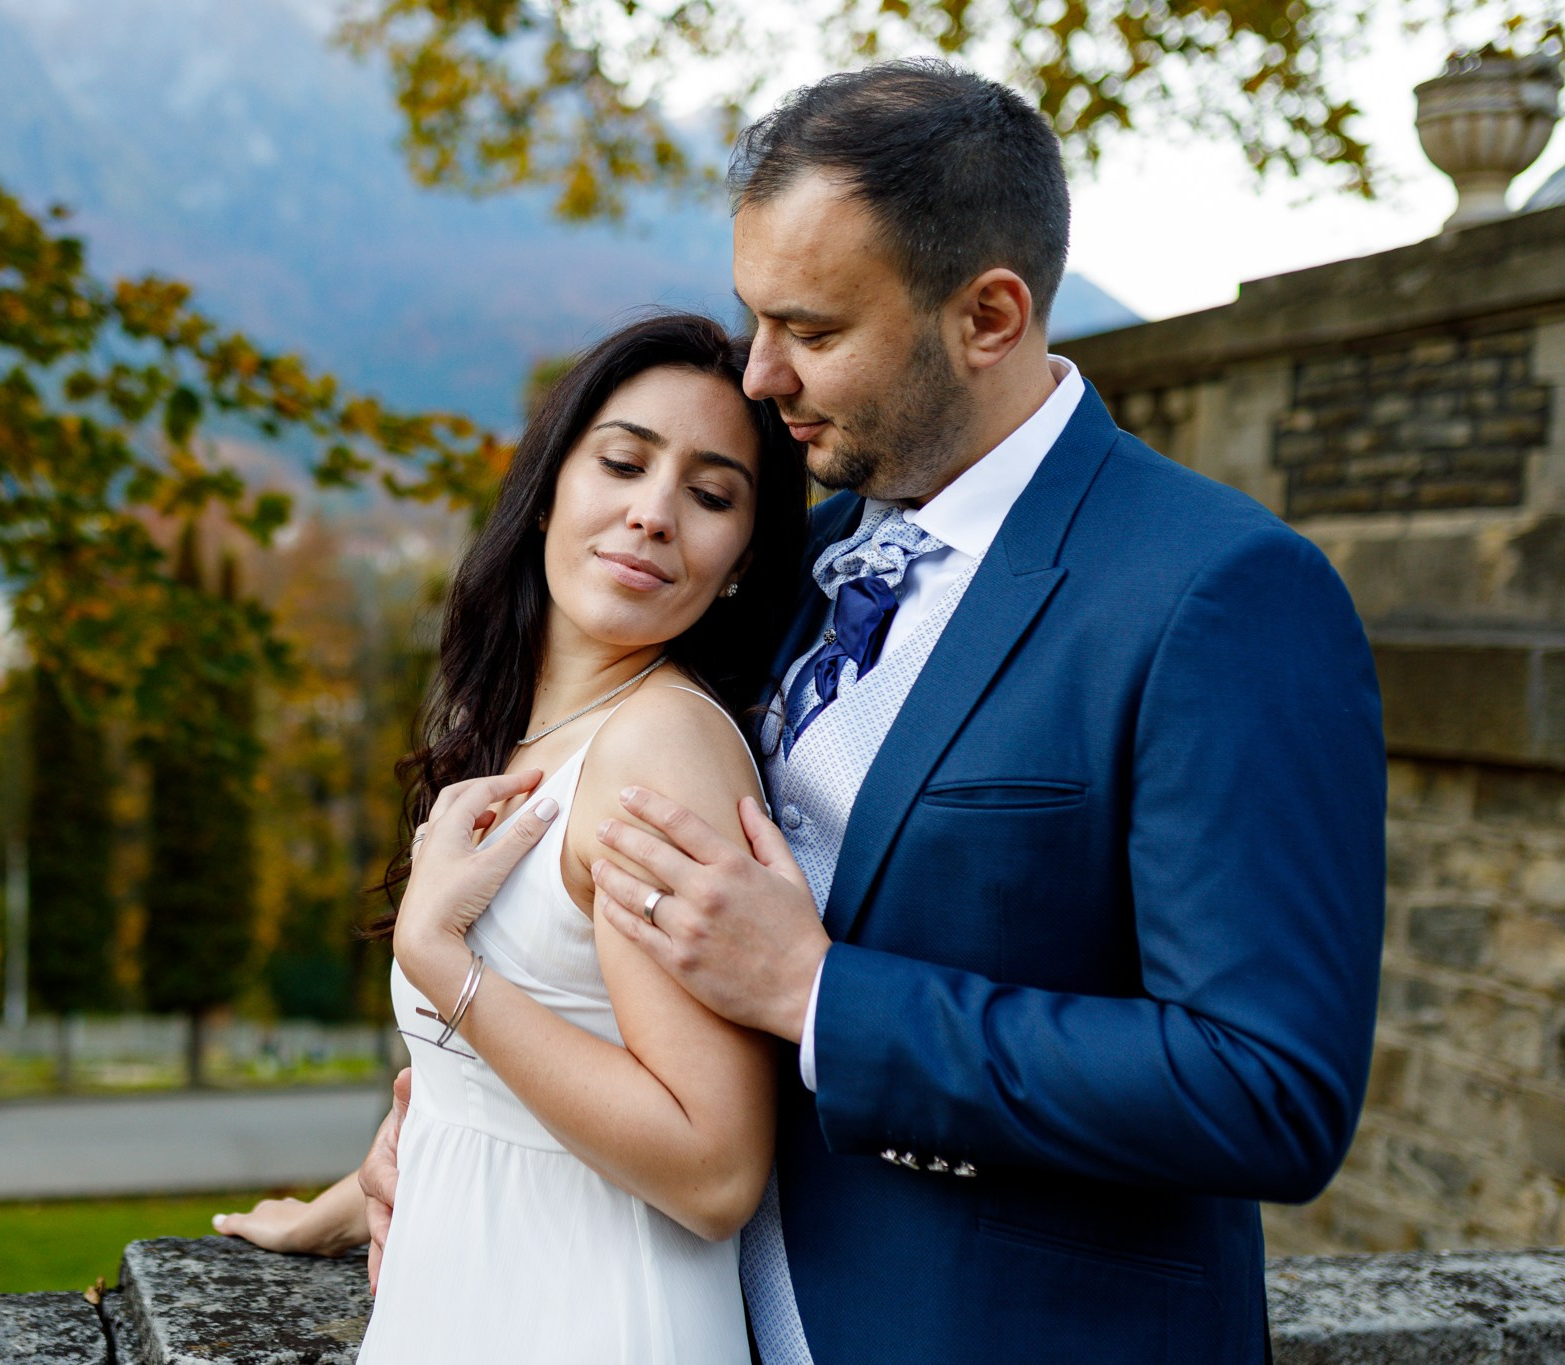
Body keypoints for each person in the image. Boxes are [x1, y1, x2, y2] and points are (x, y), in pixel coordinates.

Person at [363, 62, 1386, 1363]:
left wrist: (824, 991)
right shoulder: (781, 559)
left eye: (814, 330)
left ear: (990, 317)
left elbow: (1268, 1090)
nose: (760, 371)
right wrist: (448, 1132)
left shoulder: (1218, 593)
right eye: (753, 317)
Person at [214, 311, 808, 1362]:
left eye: (709, 495)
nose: (651, 515)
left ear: (739, 562)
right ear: (545, 492)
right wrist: (336, 1206)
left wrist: (444, 968)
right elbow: (484, 1095)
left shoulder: (656, 749)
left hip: (592, 1318)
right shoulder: (513, 726)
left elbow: (712, 1169)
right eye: (621, 464)